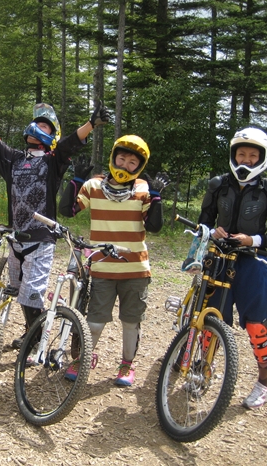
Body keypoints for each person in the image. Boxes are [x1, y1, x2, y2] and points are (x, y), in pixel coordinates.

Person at [0, 101, 110, 348]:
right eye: (36, 123)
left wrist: (91, 124)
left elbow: (70, 143)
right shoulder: (14, 159)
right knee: (22, 293)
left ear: (52, 135)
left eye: (44, 126)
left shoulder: (52, 161)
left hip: (41, 239)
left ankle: (35, 342)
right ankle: (32, 332)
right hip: (16, 239)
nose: (37, 127)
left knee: (30, 295)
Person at [58, 135, 168, 386]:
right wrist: (76, 180)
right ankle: (82, 359)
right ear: (113, 158)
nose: (125, 165)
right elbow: (67, 210)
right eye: (122, 158)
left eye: (132, 162)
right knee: (95, 322)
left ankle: (126, 365)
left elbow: (154, 227)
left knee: (131, 322)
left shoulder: (143, 189)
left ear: (140, 166)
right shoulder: (94, 186)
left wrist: (156, 197)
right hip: (103, 268)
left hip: (135, 269)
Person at [198, 126, 267, 409]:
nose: (246, 160)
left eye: (253, 155)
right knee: (211, 319)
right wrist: (211, 231)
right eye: (242, 154)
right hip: (220, 258)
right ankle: (202, 371)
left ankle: (263, 385)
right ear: (233, 154)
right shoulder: (218, 185)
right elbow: (205, 219)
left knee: (258, 326)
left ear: (262, 157)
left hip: (254, 260)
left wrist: (254, 240)